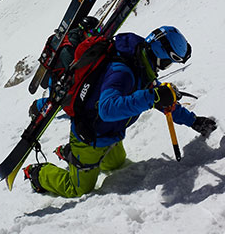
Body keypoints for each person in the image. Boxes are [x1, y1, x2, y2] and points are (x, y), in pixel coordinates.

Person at [24, 26, 217, 197]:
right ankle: (38, 174)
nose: (166, 67)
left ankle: (69, 153)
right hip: (89, 137)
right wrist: (153, 97)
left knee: (116, 164)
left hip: (110, 135)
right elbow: (107, 109)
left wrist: (193, 121)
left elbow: (162, 102)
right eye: (169, 62)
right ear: (160, 54)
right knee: (77, 189)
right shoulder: (123, 71)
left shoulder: (141, 65)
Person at [28, 16, 100, 118]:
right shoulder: (68, 49)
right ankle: (36, 108)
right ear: (82, 31)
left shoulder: (81, 39)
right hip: (57, 78)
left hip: (63, 75)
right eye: (90, 33)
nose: (93, 36)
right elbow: (73, 69)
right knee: (59, 102)